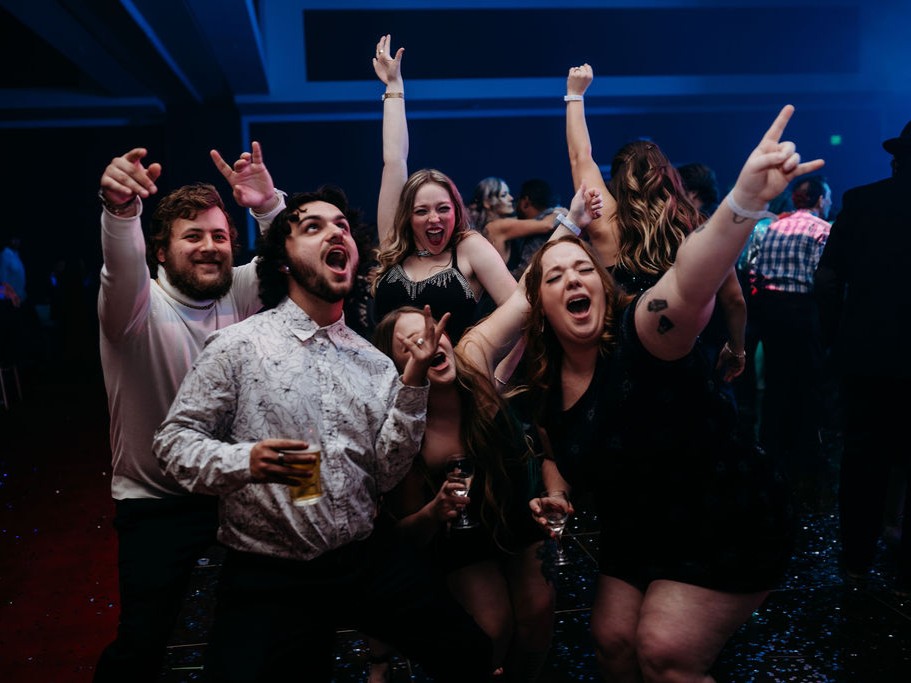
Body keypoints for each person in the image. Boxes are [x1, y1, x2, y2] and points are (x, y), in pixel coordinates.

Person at [476, 104, 819, 682]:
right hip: (639, 521)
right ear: (538, 306)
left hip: (721, 511)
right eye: (553, 278)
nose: (572, 280)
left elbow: (693, 276)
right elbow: (551, 444)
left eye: (582, 270)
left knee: (664, 649)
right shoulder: (541, 380)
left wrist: (741, 205)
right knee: (610, 640)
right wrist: (555, 491)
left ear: (606, 287)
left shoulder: (646, 331)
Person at [152, 187, 494, 681]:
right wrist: (244, 462)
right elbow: (173, 443)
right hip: (268, 572)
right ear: (283, 261)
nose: (337, 232)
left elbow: (386, 472)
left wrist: (412, 386)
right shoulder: (238, 347)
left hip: (363, 555)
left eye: (342, 226)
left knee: (469, 653)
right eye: (313, 227)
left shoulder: (373, 362)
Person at [93, 142, 285, 682]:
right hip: (157, 502)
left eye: (220, 236)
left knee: (272, 622)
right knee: (142, 644)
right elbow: (119, 264)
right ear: (160, 252)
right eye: (193, 237)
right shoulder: (134, 308)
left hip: (240, 492)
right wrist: (120, 209)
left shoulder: (240, 292)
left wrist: (268, 205)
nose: (210, 247)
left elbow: (288, 262)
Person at [563, 64, 747, 390]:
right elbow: (734, 300)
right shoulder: (697, 229)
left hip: (623, 370)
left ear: (616, 184)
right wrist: (736, 348)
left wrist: (575, 95)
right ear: (669, 176)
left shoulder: (607, 225)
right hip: (685, 366)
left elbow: (581, 157)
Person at [369, 34, 517, 343]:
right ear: (407, 217)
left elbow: (520, 313)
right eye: (421, 211)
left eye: (443, 208)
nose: (433, 219)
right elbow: (394, 160)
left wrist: (491, 364)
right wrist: (394, 89)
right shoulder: (393, 246)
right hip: (390, 385)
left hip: (453, 382)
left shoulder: (469, 248)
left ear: (457, 210)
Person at [815, 119, 911, 595]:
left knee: (862, 461)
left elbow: (828, 278)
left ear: (898, 159)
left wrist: (835, 337)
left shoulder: (862, 201)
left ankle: (856, 561)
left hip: (868, 355)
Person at [751, 175, 832, 475]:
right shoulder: (822, 230)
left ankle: (771, 448)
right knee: (808, 384)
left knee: (775, 381)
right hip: (803, 308)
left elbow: (754, 269)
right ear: (820, 199)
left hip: (770, 310)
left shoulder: (771, 226)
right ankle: (806, 455)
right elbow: (823, 279)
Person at [468, 176, 563, 271]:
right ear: (487, 203)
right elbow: (547, 225)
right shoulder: (498, 226)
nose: (511, 198)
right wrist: (558, 211)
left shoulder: (494, 225)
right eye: (504, 195)